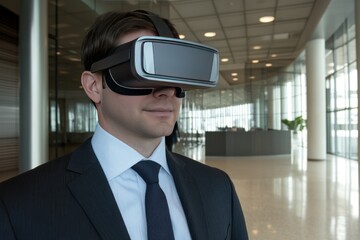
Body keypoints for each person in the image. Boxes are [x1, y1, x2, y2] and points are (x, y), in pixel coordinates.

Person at [0, 10, 248, 240]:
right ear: (94, 86)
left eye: (173, 74)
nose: (167, 91)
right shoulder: (16, 204)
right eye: (141, 72)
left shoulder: (218, 188)